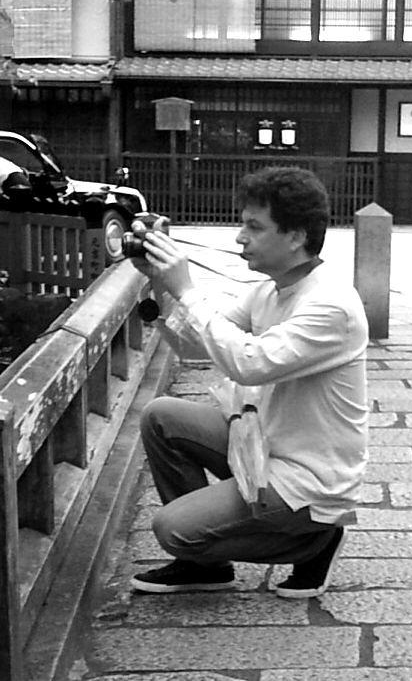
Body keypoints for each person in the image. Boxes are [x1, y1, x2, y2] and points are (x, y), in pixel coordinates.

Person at [130, 166, 369, 598]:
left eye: (254, 227)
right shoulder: (270, 290)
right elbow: (195, 344)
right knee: (161, 416)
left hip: (306, 477)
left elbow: (248, 362)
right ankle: (206, 567)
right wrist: (159, 283)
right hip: (263, 445)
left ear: (295, 236)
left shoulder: (331, 305)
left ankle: (314, 540)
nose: (240, 237)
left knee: (171, 529)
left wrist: (188, 290)